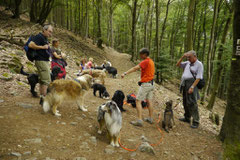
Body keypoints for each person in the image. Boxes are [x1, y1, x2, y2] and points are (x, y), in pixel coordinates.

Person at [121, 48, 155, 127]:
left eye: (141, 54)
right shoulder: (151, 61)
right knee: (149, 101)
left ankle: (139, 120)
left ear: (144, 54)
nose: (140, 56)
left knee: (138, 101)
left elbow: (135, 68)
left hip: (146, 84)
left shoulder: (145, 61)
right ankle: (150, 118)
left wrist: (125, 73)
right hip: (151, 84)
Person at [176, 50, 203, 129]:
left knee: (192, 102)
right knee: (185, 101)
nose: (188, 59)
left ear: (195, 56)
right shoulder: (187, 63)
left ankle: (196, 121)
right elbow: (177, 65)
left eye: (189, 57)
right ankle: (187, 117)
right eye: (187, 57)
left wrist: (192, 87)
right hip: (184, 83)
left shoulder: (199, 64)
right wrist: (182, 57)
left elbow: (198, 77)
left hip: (192, 84)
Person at [28, 24, 53, 105]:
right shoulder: (39, 36)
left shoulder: (44, 38)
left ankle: (42, 99)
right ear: (44, 30)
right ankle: (44, 99)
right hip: (41, 61)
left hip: (44, 61)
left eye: (51, 32)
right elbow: (30, 45)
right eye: (49, 31)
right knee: (47, 80)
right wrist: (43, 47)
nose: (50, 33)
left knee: (42, 80)